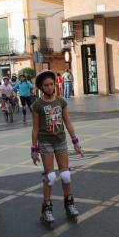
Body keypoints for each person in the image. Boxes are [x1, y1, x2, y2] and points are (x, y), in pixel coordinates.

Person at [31, 70, 83, 226]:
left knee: (66, 175)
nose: (49, 87)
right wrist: (34, 149)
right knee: (50, 177)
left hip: (60, 140)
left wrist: (75, 141)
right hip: (45, 142)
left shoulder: (61, 102)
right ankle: (46, 209)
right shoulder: (37, 105)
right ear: (41, 87)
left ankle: (69, 204)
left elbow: (67, 122)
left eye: (51, 84)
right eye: (46, 85)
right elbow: (34, 129)